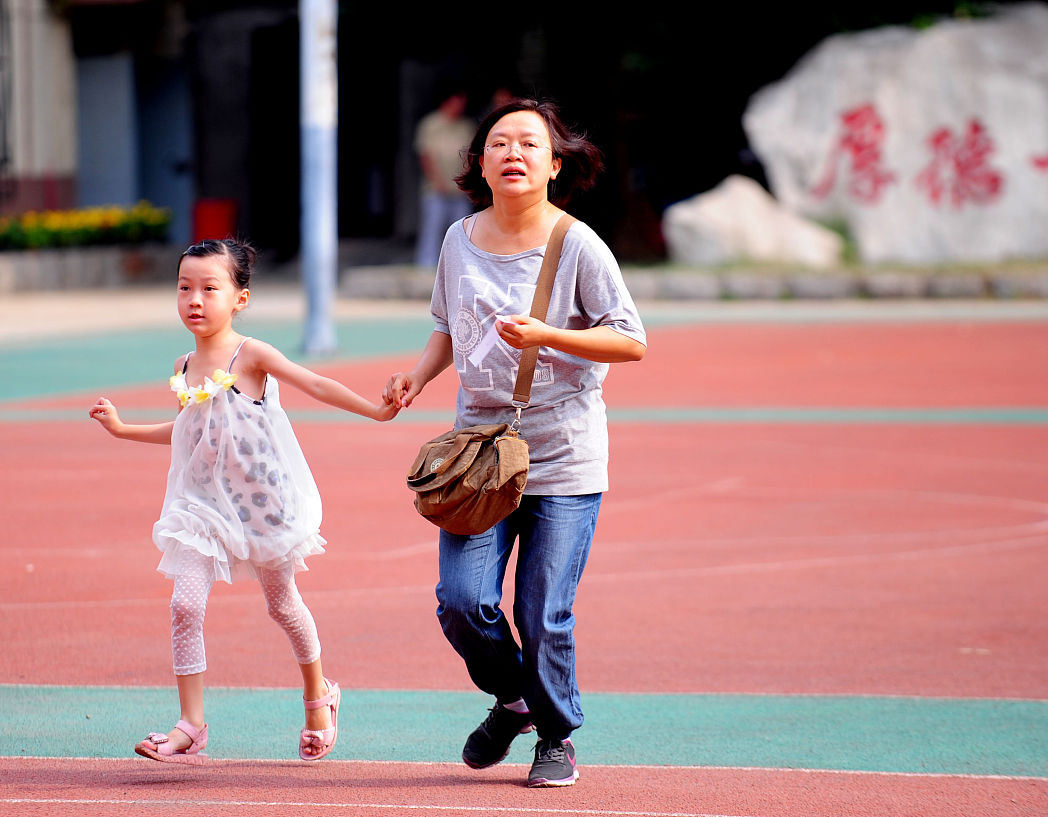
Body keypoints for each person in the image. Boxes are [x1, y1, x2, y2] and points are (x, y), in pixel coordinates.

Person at [385, 99, 647, 787]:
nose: (514, 153)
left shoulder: (578, 245)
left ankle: (556, 735)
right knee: (460, 598)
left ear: (555, 165)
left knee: (542, 610)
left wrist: (549, 334)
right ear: (479, 162)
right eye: (499, 142)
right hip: (479, 454)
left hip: (564, 452)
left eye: (530, 144)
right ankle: (514, 698)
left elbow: (631, 338)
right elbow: (447, 326)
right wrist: (414, 378)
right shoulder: (458, 239)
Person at [89, 238, 399, 765]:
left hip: (261, 507)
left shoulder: (250, 354)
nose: (195, 299)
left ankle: (319, 696)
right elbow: (188, 431)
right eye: (185, 287)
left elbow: (317, 383)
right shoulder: (183, 363)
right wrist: (123, 430)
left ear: (241, 298)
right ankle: (190, 724)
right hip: (201, 507)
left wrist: (377, 410)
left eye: (210, 288)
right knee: (185, 605)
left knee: (282, 606)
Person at [414, 89, 476, 267]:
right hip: (434, 188)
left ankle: (460, 265)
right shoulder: (430, 124)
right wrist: (436, 180)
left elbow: (470, 157)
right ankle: (426, 266)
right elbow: (425, 155)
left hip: (459, 189)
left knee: (463, 231)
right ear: (448, 102)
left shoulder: (466, 126)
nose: (461, 107)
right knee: (432, 228)